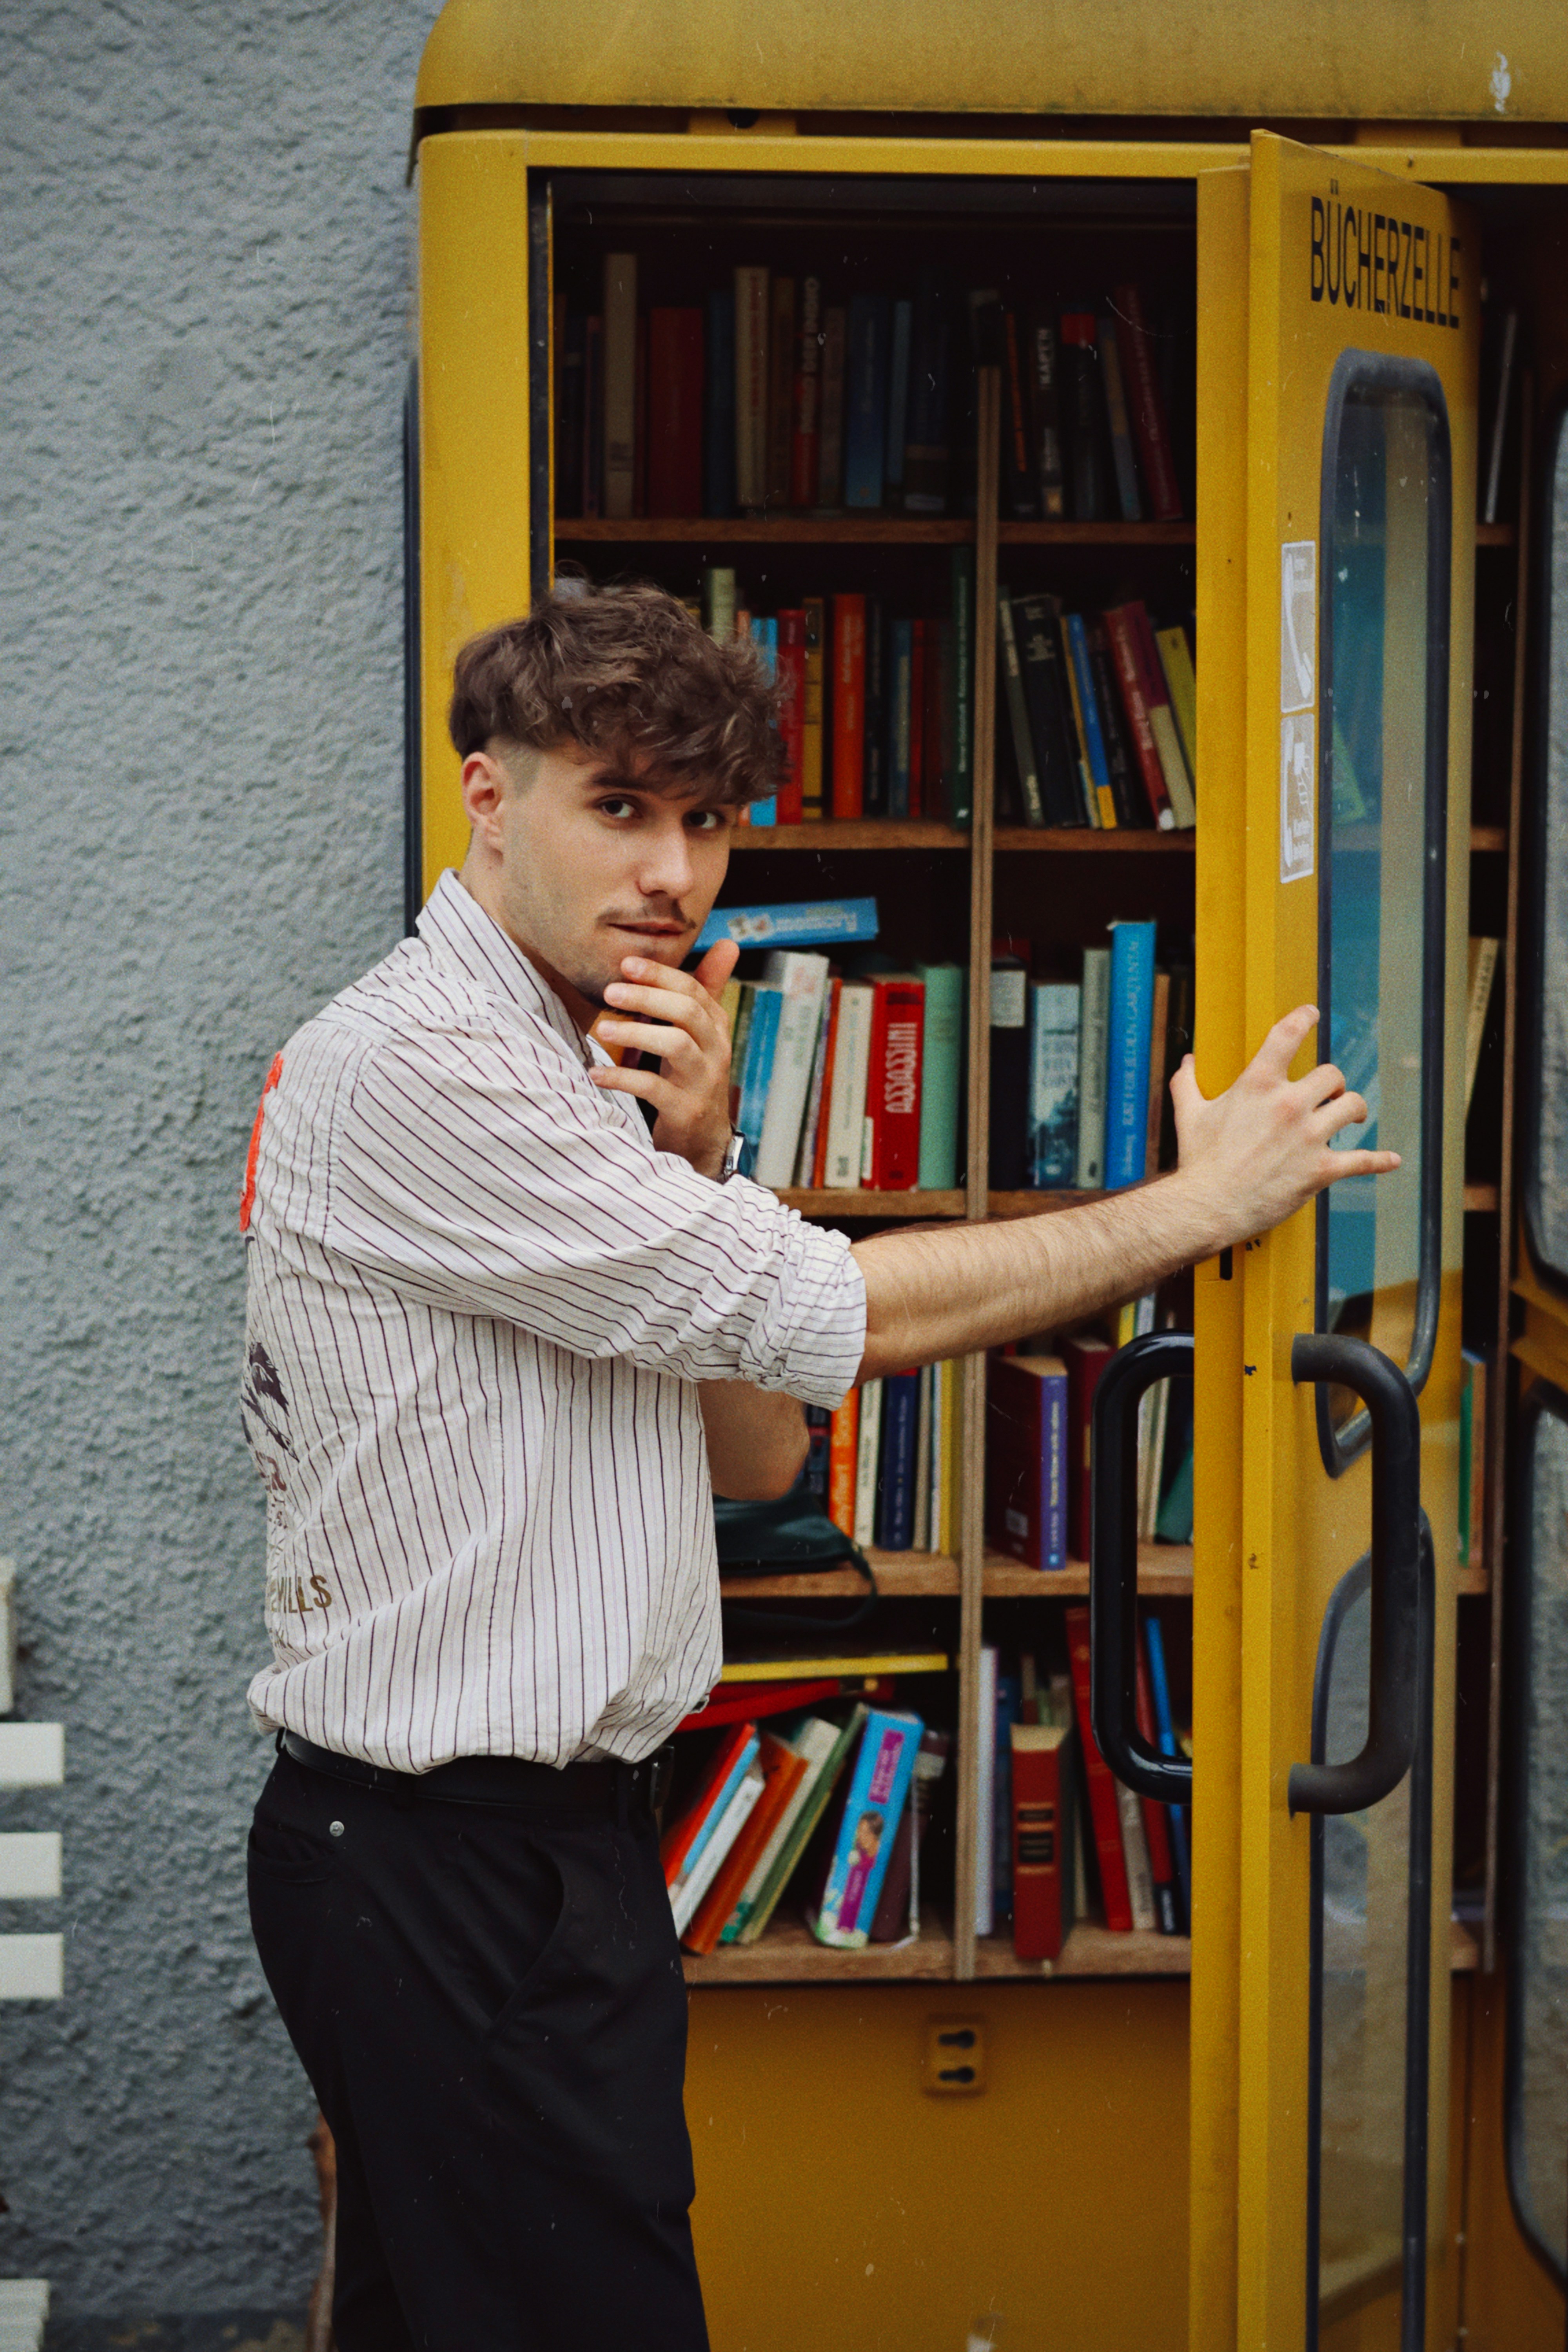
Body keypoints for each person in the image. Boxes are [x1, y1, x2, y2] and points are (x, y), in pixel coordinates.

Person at [239, 581, 1395, 2352]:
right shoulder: (425, 1068)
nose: (673, 875)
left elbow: (760, 1453)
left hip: (545, 1858)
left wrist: (696, 1158)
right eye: (616, 805)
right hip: (437, 1864)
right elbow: (831, 1319)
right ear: (488, 797)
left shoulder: (584, 1075)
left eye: (703, 822)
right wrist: (1192, 1210)